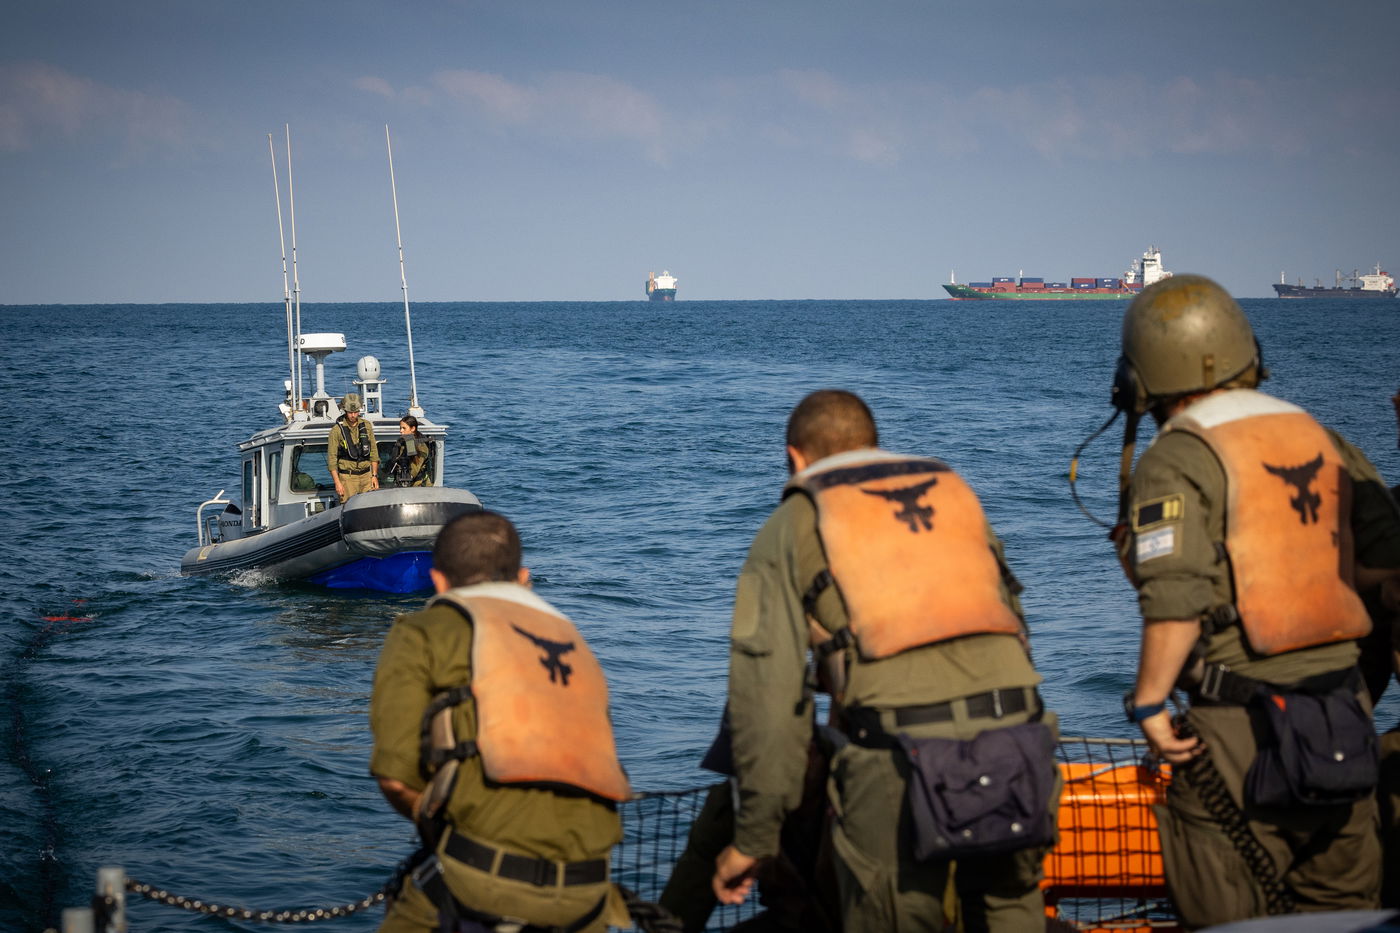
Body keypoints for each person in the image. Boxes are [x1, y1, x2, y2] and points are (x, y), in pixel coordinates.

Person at [1110, 274, 1400, 927]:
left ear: (1140, 380)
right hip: (1345, 717)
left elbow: (1175, 601)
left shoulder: (1177, 455)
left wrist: (1151, 702)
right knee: (1347, 913)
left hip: (1242, 729)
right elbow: (1385, 557)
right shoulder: (1318, 436)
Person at [711, 389, 1058, 933]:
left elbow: (768, 701)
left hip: (901, 750)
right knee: (1009, 904)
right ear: (872, 444)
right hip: (1016, 735)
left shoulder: (794, 520)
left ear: (795, 458)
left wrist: (754, 839)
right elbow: (1014, 620)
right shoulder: (952, 490)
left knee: (893, 913)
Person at [369, 511, 631, 932]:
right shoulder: (573, 641)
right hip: (591, 892)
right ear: (523, 578)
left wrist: (445, 828)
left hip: (483, 882)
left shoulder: (423, 631)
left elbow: (396, 780)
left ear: (437, 581)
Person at [328, 392, 379, 503]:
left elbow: (374, 453)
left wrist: (374, 475)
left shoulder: (367, 426)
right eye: (350, 412)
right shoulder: (336, 431)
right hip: (347, 478)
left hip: (366, 476)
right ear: (345, 411)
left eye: (356, 412)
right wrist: (338, 483)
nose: (353, 415)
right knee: (348, 507)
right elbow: (332, 460)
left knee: (369, 506)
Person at [386, 415, 435, 488]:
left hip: (418, 486)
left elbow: (414, 470)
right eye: (400, 428)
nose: (401, 431)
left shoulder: (420, 446)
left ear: (412, 428)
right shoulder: (405, 442)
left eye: (404, 428)